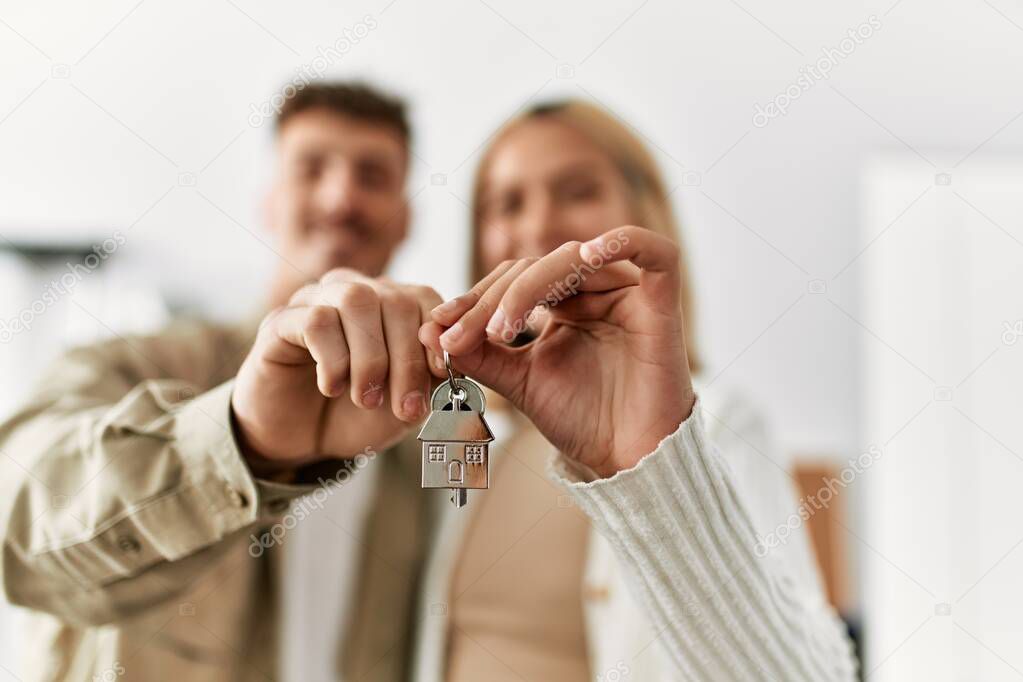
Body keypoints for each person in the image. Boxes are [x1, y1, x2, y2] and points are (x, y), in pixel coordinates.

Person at [0, 83, 858, 682]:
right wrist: (241, 438)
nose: (341, 198)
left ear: (405, 214)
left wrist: (645, 464)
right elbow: (21, 531)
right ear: (268, 198)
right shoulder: (146, 368)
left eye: (372, 174)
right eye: (505, 201)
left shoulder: (693, 425)